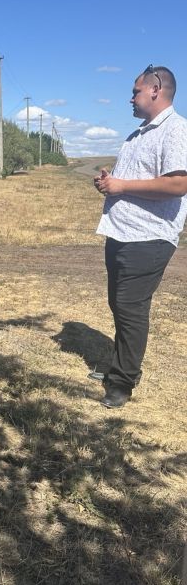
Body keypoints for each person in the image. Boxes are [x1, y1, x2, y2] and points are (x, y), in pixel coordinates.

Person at [94, 65, 187, 409]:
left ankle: (121, 383)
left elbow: (179, 183)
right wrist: (109, 183)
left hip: (149, 238)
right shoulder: (137, 135)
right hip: (121, 233)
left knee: (131, 308)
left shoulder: (176, 130)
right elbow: (128, 182)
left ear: (155, 89)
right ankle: (122, 367)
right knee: (119, 304)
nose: (130, 98)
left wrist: (122, 185)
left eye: (134, 91)